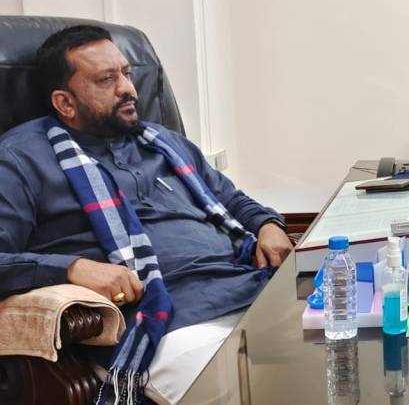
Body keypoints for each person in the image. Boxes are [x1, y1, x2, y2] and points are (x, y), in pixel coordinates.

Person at [0, 25, 293, 404]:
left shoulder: (163, 142)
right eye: (106, 79)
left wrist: (268, 225)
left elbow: (232, 200)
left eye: (126, 73)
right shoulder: (20, 159)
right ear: (65, 103)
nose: (128, 89)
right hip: (165, 322)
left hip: (251, 289)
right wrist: (72, 268)